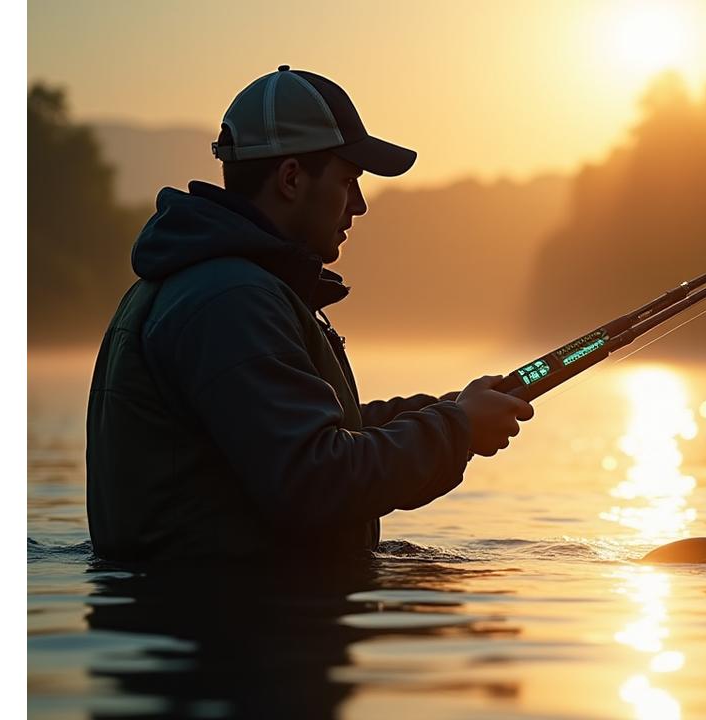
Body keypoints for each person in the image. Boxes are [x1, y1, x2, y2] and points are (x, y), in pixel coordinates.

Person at [86, 66, 533, 564]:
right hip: (234, 620)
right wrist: (457, 429)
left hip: (224, 610)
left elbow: (310, 435)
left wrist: (453, 410)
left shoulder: (216, 285)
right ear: (292, 178)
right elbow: (315, 481)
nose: (359, 205)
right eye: (348, 181)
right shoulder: (229, 301)